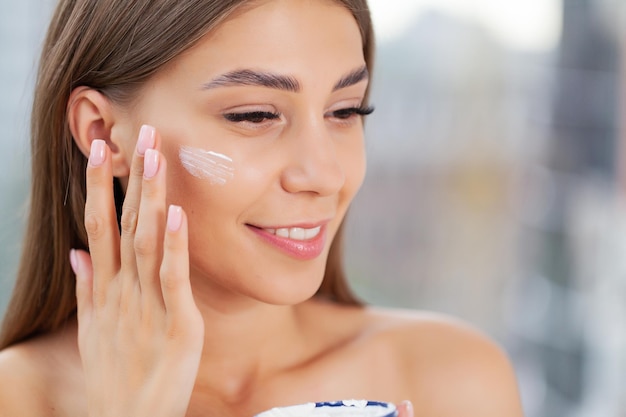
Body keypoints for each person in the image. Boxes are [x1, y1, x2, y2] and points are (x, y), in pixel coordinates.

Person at [0, 0, 524, 416]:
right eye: (254, 115)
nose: (323, 175)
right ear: (103, 134)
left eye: (345, 111)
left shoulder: (452, 381)